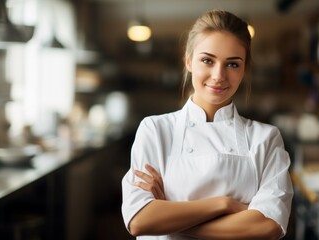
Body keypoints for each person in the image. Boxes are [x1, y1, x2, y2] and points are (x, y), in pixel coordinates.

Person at [121, 9, 294, 239]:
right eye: (207, 60)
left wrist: (170, 218)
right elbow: (140, 220)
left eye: (232, 64)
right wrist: (223, 204)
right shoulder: (155, 130)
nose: (218, 75)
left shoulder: (266, 138)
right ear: (188, 60)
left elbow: (267, 225)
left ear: (245, 69)